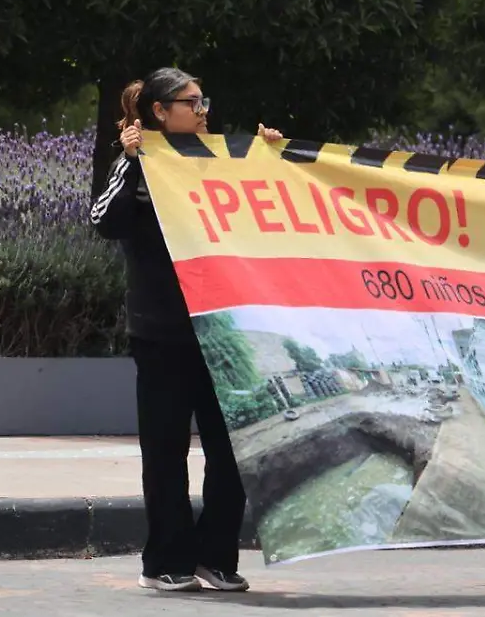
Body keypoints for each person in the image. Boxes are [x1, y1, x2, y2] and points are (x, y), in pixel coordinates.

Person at [90, 67, 283, 592]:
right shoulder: (138, 162)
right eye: (191, 102)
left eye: (204, 101)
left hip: (223, 331)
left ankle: (216, 556)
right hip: (162, 334)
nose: (203, 111)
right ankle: (166, 563)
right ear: (160, 111)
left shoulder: (223, 158)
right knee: (166, 452)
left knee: (231, 451)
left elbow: (271, 212)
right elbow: (102, 221)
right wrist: (130, 164)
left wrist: (272, 157)